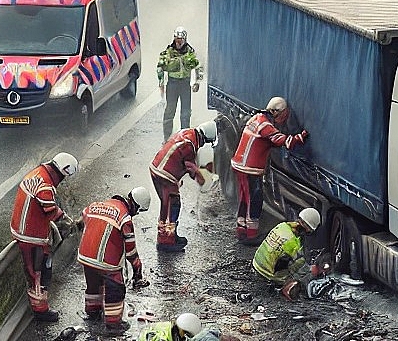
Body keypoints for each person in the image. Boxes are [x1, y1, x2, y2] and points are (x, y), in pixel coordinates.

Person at [10, 152, 79, 322]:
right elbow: (51, 211)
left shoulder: (37, 174)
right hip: (31, 236)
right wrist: (68, 221)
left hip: (23, 228)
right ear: (63, 171)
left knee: (41, 268)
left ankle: (40, 304)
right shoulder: (45, 186)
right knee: (38, 273)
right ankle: (40, 311)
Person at [231, 96, 308, 243]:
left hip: (240, 165)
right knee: (254, 200)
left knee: (243, 199)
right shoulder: (265, 125)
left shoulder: (256, 118)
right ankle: (251, 235)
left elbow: (266, 142)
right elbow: (284, 141)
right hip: (250, 169)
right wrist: (301, 136)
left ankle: (241, 230)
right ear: (277, 112)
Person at [77, 186, 152, 333]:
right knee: (116, 288)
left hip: (85, 256)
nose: (136, 213)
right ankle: (113, 324)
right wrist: (138, 270)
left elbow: (82, 219)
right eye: (138, 210)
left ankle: (92, 312)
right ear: (135, 205)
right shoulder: (125, 218)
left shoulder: (96, 205)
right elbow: (131, 251)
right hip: (106, 261)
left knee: (93, 284)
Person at [150, 121, 216, 252]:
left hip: (157, 169)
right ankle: (167, 241)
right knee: (173, 204)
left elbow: (179, 159)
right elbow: (190, 167)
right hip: (165, 175)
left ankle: (165, 236)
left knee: (165, 205)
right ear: (204, 137)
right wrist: (202, 179)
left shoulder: (187, 133)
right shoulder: (189, 145)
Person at [252, 207, 324, 301]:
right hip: (267, 275)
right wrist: (313, 270)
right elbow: (299, 270)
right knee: (302, 278)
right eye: (309, 231)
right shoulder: (294, 244)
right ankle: (284, 291)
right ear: (307, 228)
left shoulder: (283, 226)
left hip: (256, 264)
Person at [157, 26, 204, 142]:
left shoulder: (190, 52)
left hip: (185, 84)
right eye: (177, 39)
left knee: (186, 113)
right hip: (172, 84)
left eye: (181, 39)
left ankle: (185, 138)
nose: (179, 42)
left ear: (185, 39)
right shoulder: (168, 52)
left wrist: (197, 81)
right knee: (169, 111)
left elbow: (199, 66)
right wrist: (161, 83)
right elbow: (160, 67)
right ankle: (167, 138)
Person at [138, 312, 203, 341]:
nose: (185, 338)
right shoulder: (162, 338)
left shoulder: (169, 326)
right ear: (181, 329)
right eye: (186, 334)